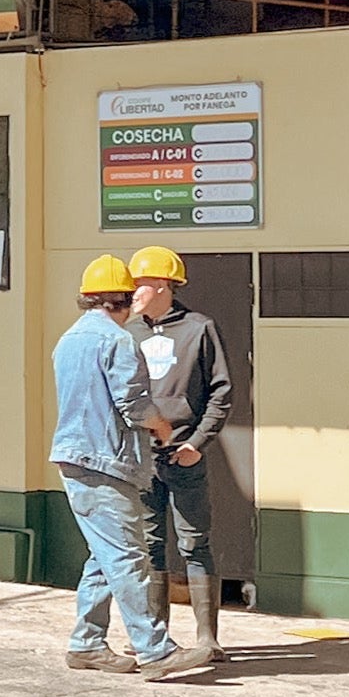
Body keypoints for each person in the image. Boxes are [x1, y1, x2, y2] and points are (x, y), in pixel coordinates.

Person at [50, 256, 198, 679]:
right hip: (106, 462)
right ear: (126, 299)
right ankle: (154, 649)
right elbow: (132, 405)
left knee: (104, 556)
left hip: (75, 457)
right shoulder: (117, 342)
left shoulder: (68, 340)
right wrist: (163, 426)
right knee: (130, 557)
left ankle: (87, 644)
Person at [128, 245, 234, 665]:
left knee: (194, 543)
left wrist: (197, 443)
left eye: (139, 284)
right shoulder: (128, 332)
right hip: (141, 459)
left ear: (162, 285)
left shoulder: (199, 329)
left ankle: (208, 639)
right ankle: (156, 641)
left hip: (184, 454)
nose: (133, 292)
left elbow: (221, 392)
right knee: (150, 546)